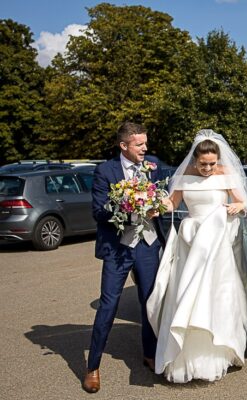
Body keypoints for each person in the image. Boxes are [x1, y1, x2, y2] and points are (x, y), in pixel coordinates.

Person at [146, 129, 247, 383]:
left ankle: (215, 354)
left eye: (212, 164)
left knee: (214, 295)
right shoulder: (184, 177)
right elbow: (172, 203)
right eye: (203, 164)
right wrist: (152, 205)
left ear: (218, 160)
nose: (207, 168)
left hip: (216, 243)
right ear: (195, 160)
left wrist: (238, 206)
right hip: (191, 241)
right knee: (187, 292)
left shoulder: (226, 175)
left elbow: (244, 203)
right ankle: (183, 355)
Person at [83, 122, 165, 393]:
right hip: (118, 248)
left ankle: (150, 354)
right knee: (108, 305)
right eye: (140, 144)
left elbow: (169, 193)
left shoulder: (153, 164)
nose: (145, 148)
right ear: (124, 146)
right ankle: (93, 366)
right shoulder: (105, 170)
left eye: (145, 143)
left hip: (147, 246)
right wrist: (130, 207)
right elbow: (98, 211)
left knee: (149, 301)